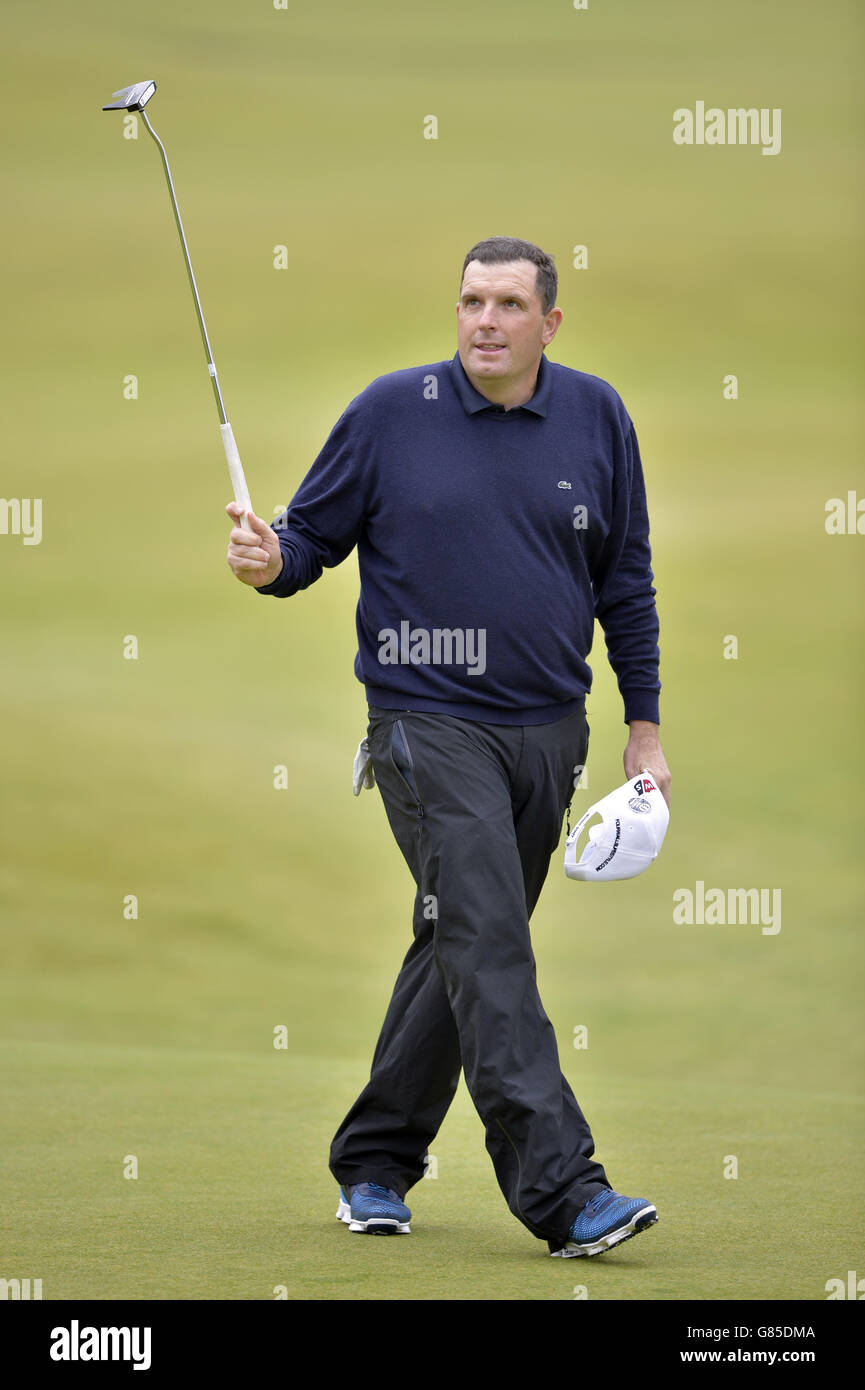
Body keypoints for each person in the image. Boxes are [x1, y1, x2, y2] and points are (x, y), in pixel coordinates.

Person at [225, 236, 671, 1258]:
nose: (484, 320)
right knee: (487, 936)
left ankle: (375, 1159)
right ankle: (565, 1191)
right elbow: (306, 544)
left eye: (509, 304)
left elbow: (626, 579)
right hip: (425, 723)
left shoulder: (597, 414)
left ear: (548, 324)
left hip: (551, 731)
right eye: (471, 300)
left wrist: (642, 727)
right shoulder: (391, 411)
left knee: (461, 937)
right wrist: (266, 559)